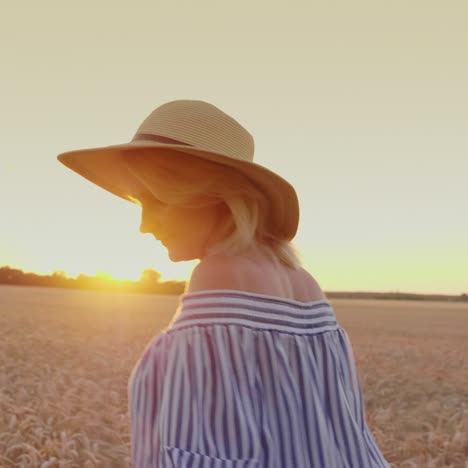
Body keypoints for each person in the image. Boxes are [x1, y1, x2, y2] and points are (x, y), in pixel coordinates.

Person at [57, 99, 390, 467]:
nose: (144, 225)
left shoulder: (219, 276)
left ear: (215, 197)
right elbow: (346, 435)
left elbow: (207, 454)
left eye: (156, 201)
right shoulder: (303, 282)